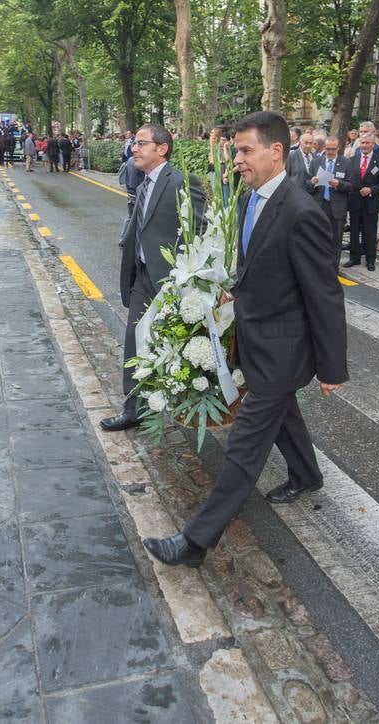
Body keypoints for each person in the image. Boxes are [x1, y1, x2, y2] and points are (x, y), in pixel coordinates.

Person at [142, 111, 347, 568]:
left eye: (245, 150)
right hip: (257, 337)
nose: (236, 159)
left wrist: (333, 368)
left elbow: (325, 294)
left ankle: (194, 543)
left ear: (277, 151)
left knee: (245, 446)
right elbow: (261, 263)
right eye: (236, 151)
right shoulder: (252, 200)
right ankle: (307, 475)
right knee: (284, 416)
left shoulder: (301, 212)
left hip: (283, 349)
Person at [102, 124, 206, 433]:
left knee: (174, 347)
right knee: (135, 342)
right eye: (134, 143)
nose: (134, 148)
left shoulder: (183, 182)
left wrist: (187, 283)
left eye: (142, 143)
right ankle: (134, 408)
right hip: (142, 278)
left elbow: (197, 232)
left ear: (162, 149)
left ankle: (188, 404)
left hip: (170, 284)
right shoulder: (142, 181)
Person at [343, 130, 379, 271]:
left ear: (373, 144)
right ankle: (354, 257)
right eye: (362, 142)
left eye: (368, 143)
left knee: (370, 232)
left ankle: (370, 259)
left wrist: (371, 190)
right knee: (354, 231)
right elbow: (347, 180)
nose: (365, 145)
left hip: (371, 202)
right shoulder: (352, 160)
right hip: (355, 201)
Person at [309, 136, 350, 267]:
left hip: (337, 207)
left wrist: (339, 184)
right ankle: (317, 265)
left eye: (333, 149)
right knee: (317, 237)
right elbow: (307, 184)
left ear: (338, 148)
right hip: (319, 205)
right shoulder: (316, 162)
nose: (330, 152)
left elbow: (352, 186)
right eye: (328, 149)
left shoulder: (346, 163)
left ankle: (333, 267)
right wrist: (312, 182)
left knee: (336, 239)